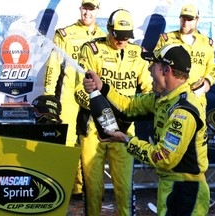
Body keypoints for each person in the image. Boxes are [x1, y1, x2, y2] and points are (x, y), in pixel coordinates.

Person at [83, 44, 210, 215]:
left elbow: (163, 157)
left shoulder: (182, 110)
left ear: (167, 70)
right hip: (172, 186)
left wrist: (126, 140)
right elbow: (128, 107)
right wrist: (102, 87)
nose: (149, 70)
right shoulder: (162, 98)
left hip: (185, 190)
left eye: (153, 66)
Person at [77, 9, 153, 215]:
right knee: (93, 188)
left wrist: (136, 110)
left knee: (124, 187)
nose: (122, 41)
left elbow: (148, 90)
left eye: (127, 36)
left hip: (125, 128)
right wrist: (101, 112)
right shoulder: (91, 50)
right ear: (109, 29)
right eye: (118, 35)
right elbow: (79, 91)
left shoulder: (137, 53)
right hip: (93, 127)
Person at [43, 0, 106, 198]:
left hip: (92, 94)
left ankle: (84, 188)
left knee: (90, 141)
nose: (87, 12)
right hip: (68, 94)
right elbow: (53, 65)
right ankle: (68, 188)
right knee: (68, 140)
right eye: (85, 8)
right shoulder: (65, 34)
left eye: (91, 8)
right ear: (80, 8)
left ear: (97, 10)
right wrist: (48, 95)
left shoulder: (104, 36)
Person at [154, 3, 215, 107]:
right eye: (183, 18)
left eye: (189, 19)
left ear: (197, 20)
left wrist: (207, 82)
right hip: (170, 97)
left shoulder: (206, 43)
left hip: (197, 98)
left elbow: (213, 66)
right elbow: (155, 64)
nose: (185, 22)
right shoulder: (166, 39)